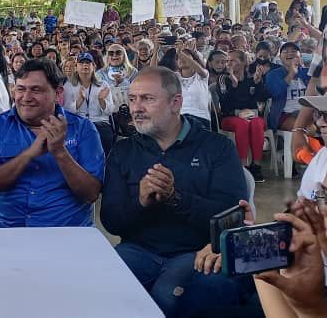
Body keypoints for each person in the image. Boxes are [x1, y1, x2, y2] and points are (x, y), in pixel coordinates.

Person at [100, 67, 249, 317]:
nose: (136, 108)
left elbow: (231, 216)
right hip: (138, 250)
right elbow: (111, 221)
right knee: (101, 288)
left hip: (197, 251)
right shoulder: (123, 151)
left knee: (169, 297)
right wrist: (140, 202)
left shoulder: (216, 147)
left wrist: (176, 198)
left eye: (147, 99)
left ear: (175, 103)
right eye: (132, 99)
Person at [0, 58, 105, 227]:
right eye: (20, 89)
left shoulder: (83, 129)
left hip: (67, 232)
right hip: (8, 230)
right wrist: (28, 155)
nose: (26, 97)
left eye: (36, 90)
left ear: (58, 93)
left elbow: (91, 194)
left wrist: (60, 153)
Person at [218, 50, 271, 182]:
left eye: (233, 60)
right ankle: (243, 166)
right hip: (230, 117)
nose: (229, 64)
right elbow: (223, 103)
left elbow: (263, 98)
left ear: (243, 63)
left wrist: (258, 83)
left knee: (257, 123)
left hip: (252, 115)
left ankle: (256, 166)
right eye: (227, 61)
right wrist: (234, 85)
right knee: (242, 124)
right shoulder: (224, 78)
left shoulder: (252, 77)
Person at [63, 52, 116, 155]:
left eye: (88, 63)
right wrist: (79, 102)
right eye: (81, 63)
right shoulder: (69, 86)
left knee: (104, 138)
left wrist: (101, 100)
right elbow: (66, 111)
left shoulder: (103, 85)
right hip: (79, 123)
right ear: (76, 67)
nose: (85, 65)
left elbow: (110, 111)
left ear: (93, 66)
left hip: (99, 123)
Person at [266, 42, 310, 132]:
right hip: (285, 114)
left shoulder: (307, 73)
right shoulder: (273, 74)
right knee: (305, 129)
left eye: (294, 51)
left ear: (300, 56)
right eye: (285, 51)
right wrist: (291, 74)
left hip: (308, 113)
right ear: (280, 57)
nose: (290, 53)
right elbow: (275, 93)